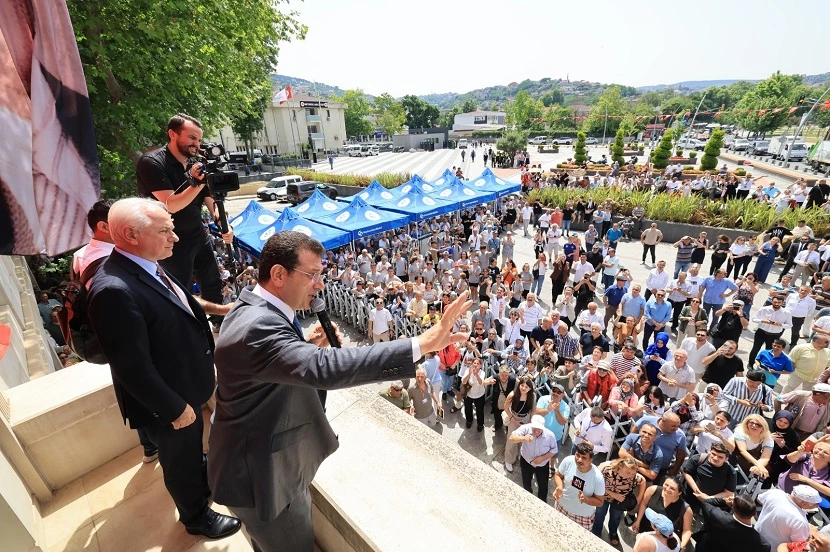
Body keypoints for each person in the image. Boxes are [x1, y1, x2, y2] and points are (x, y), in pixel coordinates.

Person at [205, 230, 473, 551]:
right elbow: (324, 369)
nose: (320, 285)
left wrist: (303, 347)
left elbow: (267, 366)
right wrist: (422, 344)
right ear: (278, 274)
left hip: (248, 459)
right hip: (264, 480)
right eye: (312, 275)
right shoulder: (259, 326)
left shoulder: (253, 305)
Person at [86, 198, 240, 539]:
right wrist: (174, 408)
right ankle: (196, 516)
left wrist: (219, 309)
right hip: (169, 403)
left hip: (186, 388)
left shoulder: (146, 262)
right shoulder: (113, 290)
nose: (175, 238)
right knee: (179, 460)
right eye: (165, 230)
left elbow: (181, 302)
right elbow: (131, 367)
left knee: (190, 455)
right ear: (130, 234)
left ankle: (200, 484)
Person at [136, 114, 230, 319]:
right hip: (170, 240)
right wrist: (198, 183)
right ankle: (189, 329)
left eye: (199, 139)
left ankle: (220, 323)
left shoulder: (195, 164)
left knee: (212, 282)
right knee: (180, 289)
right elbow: (171, 204)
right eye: (191, 138)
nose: (196, 144)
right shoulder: (151, 162)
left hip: (197, 234)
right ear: (172, 134)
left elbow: (209, 198)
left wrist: (221, 218)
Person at [592, 457, 646, 545]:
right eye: (628, 472)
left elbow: (642, 481)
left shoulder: (633, 476)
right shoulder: (606, 468)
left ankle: (613, 533)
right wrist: (613, 494)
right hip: (603, 497)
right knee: (599, 515)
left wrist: (639, 498)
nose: (630, 476)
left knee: (615, 518)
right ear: (620, 466)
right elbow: (595, 482)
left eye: (632, 474)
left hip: (620, 502)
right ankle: (596, 531)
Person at [553, 442, 606, 530]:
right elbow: (558, 475)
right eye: (577, 455)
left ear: (590, 460)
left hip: (582, 517)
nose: (579, 460)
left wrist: (585, 499)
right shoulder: (568, 461)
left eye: (584, 458)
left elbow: (600, 502)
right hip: (561, 507)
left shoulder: (597, 477)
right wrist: (559, 487)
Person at [632, 478, 692, 550]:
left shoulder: (685, 509)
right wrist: (638, 521)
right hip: (645, 529)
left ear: (679, 493)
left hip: (665, 540)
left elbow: (687, 530)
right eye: (666, 484)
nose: (667, 489)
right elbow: (644, 504)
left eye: (672, 488)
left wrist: (682, 546)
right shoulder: (652, 490)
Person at [509, 415, 559, 501]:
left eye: (539, 430)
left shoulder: (550, 436)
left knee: (543, 486)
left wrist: (542, 458)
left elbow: (554, 450)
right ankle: (528, 499)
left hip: (542, 466)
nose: (536, 432)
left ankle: (542, 502)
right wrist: (523, 438)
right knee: (526, 482)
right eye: (534, 429)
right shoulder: (525, 428)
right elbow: (512, 438)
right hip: (526, 463)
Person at [695, 494, 771, 552]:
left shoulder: (717, 517)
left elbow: (705, 503)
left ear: (733, 507)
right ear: (755, 513)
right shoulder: (762, 545)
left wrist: (724, 501)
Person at [755, 486, 820, 550]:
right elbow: (798, 545)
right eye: (815, 504)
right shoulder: (800, 521)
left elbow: (759, 500)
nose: (817, 506)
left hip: (755, 536)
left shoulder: (775, 493)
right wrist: (811, 532)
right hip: (772, 549)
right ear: (803, 503)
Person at [681, 441, 736, 512]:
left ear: (726, 459)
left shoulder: (730, 471)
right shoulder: (698, 459)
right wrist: (696, 490)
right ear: (710, 451)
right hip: (690, 497)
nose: (715, 458)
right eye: (713, 454)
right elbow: (686, 473)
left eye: (720, 457)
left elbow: (729, 493)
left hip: (711, 505)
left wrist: (708, 498)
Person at [633, 413, 687, 481]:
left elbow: (681, 455)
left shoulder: (680, 435)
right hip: (638, 462)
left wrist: (674, 470)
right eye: (673, 426)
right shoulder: (647, 420)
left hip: (659, 469)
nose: (676, 428)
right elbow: (633, 433)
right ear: (663, 420)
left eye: (678, 426)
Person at [502, 375, 536, 473]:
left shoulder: (532, 396)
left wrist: (531, 422)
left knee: (524, 440)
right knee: (511, 440)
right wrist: (513, 420)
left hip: (526, 418)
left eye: (526, 387)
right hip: (514, 417)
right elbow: (506, 407)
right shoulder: (513, 395)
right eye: (522, 385)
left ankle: (521, 456)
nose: (524, 388)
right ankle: (509, 459)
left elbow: (533, 410)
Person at [733, 414, 774, 480]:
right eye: (751, 423)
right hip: (736, 459)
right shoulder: (740, 430)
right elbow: (742, 450)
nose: (754, 426)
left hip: (751, 464)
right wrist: (759, 466)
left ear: (763, 428)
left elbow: (765, 457)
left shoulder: (768, 438)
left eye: (758, 425)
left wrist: (757, 467)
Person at [461, 357, 487, 431]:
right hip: (469, 394)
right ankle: (469, 420)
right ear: (472, 364)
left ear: (481, 365)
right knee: (468, 408)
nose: (476, 365)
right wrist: (469, 374)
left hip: (479, 395)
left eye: (478, 363)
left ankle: (480, 424)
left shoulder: (482, 372)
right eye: (474, 363)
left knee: (480, 410)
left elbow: (480, 382)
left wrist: (476, 375)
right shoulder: (468, 370)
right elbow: (463, 381)